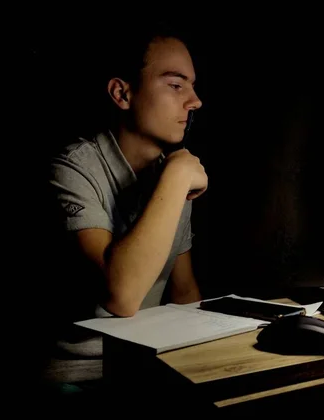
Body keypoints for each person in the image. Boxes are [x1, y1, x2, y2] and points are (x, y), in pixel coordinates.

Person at [44, 24, 205, 384]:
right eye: (176, 85)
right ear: (122, 93)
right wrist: (177, 177)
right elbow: (122, 296)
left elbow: (185, 293)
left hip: (144, 366)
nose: (195, 101)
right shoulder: (71, 170)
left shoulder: (170, 174)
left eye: (193, 87)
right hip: (78, 376)